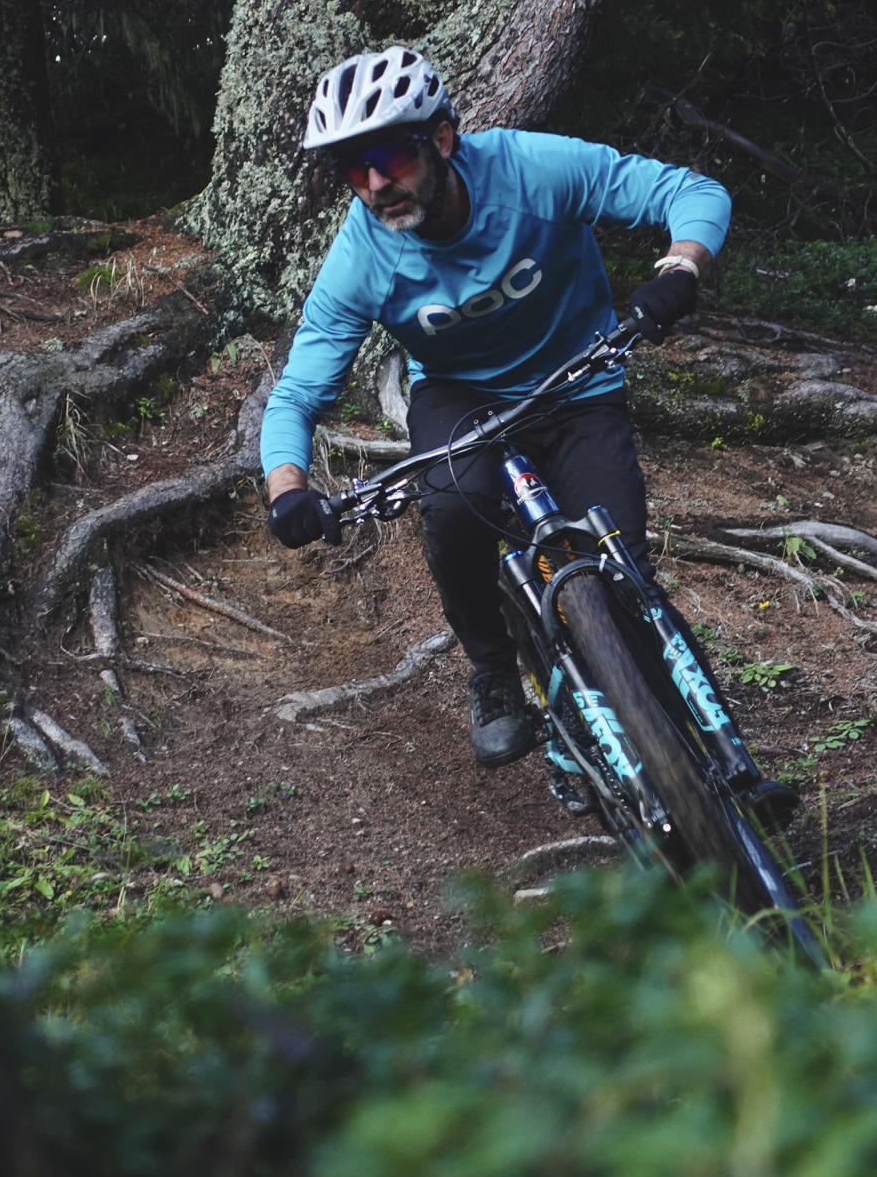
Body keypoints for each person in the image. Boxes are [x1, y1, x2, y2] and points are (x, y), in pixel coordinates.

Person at [261, 46, 795, 822]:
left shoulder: (532, 170)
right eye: (353, 169)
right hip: (458, 398)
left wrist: (681, 266)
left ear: (441, 138)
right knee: (449, 505)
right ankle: (491, 670)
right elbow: (299, 392)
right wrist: (288, 490)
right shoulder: (361, 257)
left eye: (388, 156)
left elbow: (690, 191)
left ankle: (720, 767)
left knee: (624, 570)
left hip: (581, 380)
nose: (376, 184)